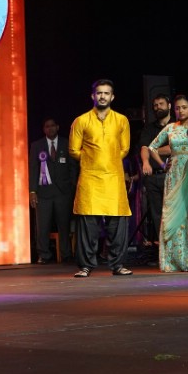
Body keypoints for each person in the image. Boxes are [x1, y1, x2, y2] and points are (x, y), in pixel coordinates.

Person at [69, 79, 134, 277]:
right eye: (99, 93)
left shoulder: (121, 120)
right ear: (93, 96)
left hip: (113, 178)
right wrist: (92, 159)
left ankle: (117, 265)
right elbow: (73, 150)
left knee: (117, 224)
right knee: (88, 225)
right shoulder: (81, 120)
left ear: (112, 97)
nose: (103, 96)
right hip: (90, 178)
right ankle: (86, 266)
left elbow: (125, 148)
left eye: (106, 93)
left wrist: (108, 161)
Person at [147, 95, 188, 272]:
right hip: (175, 173)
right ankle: (176, 260)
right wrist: (162, 164)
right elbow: (151, 147)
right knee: (174, 213)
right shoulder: (170, 127)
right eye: (177, 108)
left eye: (184, 107)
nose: (180, 111)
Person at [31, 117, 78, 263]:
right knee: (43, 225)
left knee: (64, 225)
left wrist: (72, 186)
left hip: (63, 193)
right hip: (43, 193)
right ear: (44, 129)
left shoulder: (67, 143)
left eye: (52, 126)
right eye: (47, 126)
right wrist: (32, 191)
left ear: (57, 127)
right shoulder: (36, 145)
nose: (50, 128)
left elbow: (73, 167)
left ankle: (66, 254)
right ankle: (43, 255)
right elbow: (33, 169)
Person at [138, 93, 172, 257]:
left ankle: (176, 249)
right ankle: (163, 253)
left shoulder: (176, 125)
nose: (158, 107)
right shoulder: (149, 128)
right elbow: (145, 147)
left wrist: (155, 149)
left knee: (172, 211)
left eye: (161, 104)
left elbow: (174, 148)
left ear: (169, 106)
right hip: (153, 177)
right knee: (157, 214)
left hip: (173, 175)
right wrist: (145, 161)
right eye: (155, 105)